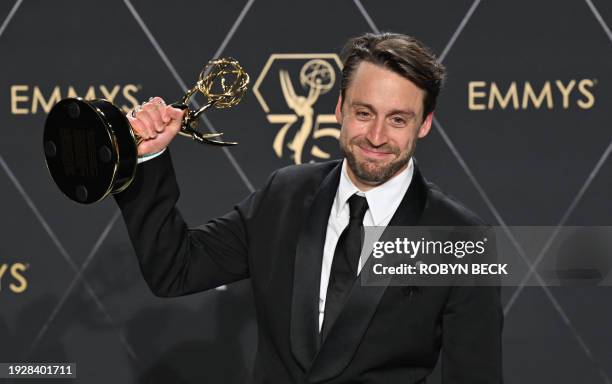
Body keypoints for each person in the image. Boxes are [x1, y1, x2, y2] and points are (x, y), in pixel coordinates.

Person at [115, 32, 503, 383]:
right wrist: (149, 159)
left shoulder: (460, 239)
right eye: (363, 113)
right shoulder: (284, 195)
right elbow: (174, 270)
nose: (376, 136)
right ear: (340, 109)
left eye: (398, 119)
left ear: (425, 124)